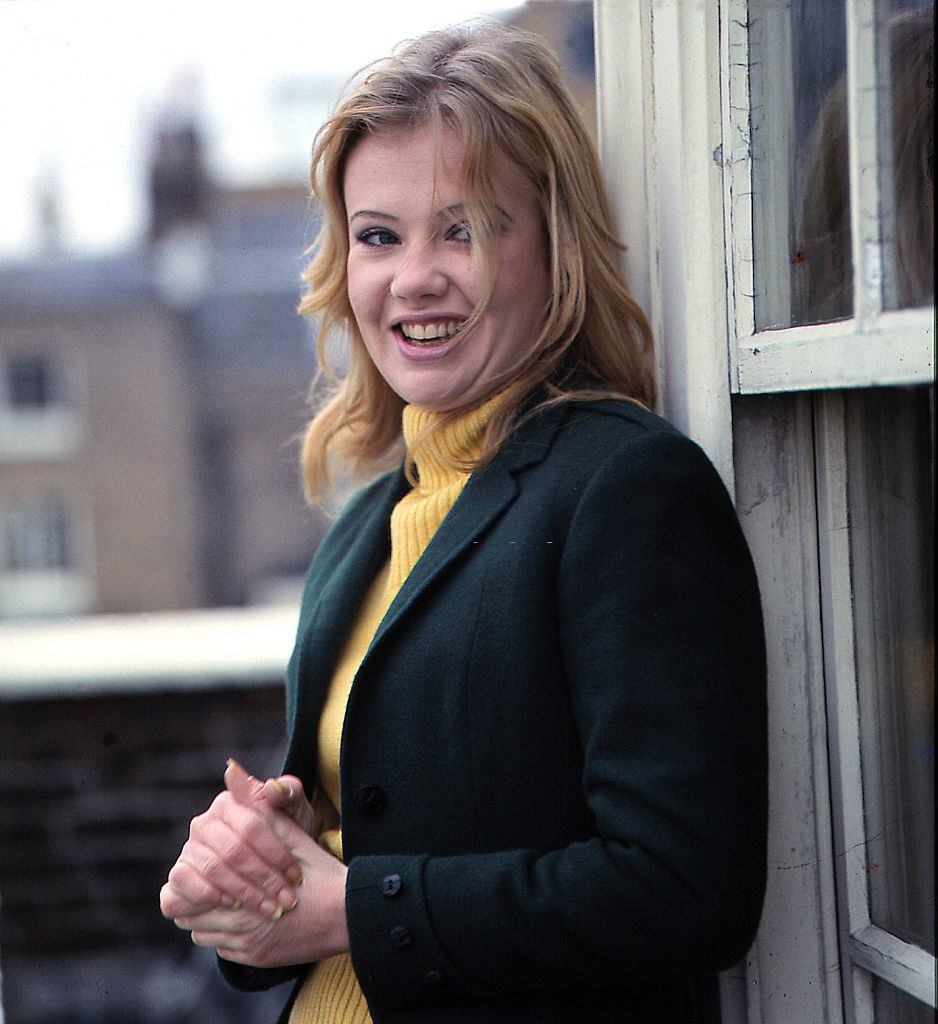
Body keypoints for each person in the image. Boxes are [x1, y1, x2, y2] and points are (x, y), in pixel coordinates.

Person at [160, 22, 767, 1024]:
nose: (414, 279)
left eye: (466, 230)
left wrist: (350, 907)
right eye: (378, 235)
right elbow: (342, 872)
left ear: (555, 245)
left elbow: (683, 887)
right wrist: (247, 878)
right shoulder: (366, 525)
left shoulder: (626, 487)